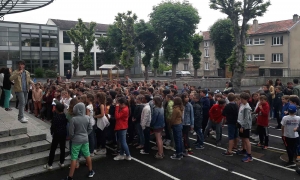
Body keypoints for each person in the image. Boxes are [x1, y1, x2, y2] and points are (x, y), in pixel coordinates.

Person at [63, 103, 95, 180]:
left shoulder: (73, 119)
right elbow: (90, 128)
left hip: (76, 140)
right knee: (87, 154)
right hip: (85, 139)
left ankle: (70, 177)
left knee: (74, 157)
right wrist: (86, 134)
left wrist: (73, 137)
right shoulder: (87, 117)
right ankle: (91, 171)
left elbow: (71, 132)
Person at [44, 102, 67, 170]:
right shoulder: (65, 116)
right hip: (63, 133)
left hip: (57, 134)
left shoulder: (55, 116)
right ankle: (62, 162)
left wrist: (52, 132)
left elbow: (53, 126)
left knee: (53, 149)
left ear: (57, 109)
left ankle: (50, 164)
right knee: (62, 148)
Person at [237, 92, 253, 162]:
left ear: (246, 99)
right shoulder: (242, 105)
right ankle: (244, 150)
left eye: (242, 99)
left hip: (245, 126)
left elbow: (246, 119)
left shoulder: (246, 107)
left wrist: (242, 126)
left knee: (246, 139)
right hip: (241, 124)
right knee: (243, 138)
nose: (241, 100)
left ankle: (249, 156)